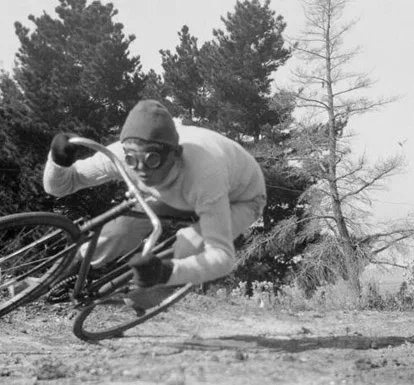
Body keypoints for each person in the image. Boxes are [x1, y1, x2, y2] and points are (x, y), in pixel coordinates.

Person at [42, 99, 266, 310]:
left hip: (240, 198)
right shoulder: (121, 154)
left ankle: (158, 289)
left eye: (152, 160)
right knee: (120, 229)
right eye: (132, 160)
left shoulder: (205, 175)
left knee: (189, 246)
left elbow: (222, 258)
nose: (141, 170)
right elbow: (60, 186)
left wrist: (167, 272)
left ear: (175, 154)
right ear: (125, 151)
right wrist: (58, 160)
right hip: (174, 191)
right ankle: (64, 275)